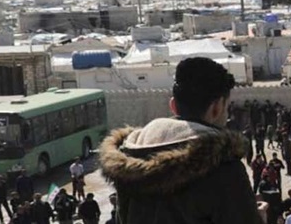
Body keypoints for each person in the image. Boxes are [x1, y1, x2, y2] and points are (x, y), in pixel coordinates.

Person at [100, 57, 265, 224]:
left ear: (173, 106)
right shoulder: (224, 169)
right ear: (216, 108)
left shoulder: (128, 159)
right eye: (227, 108)